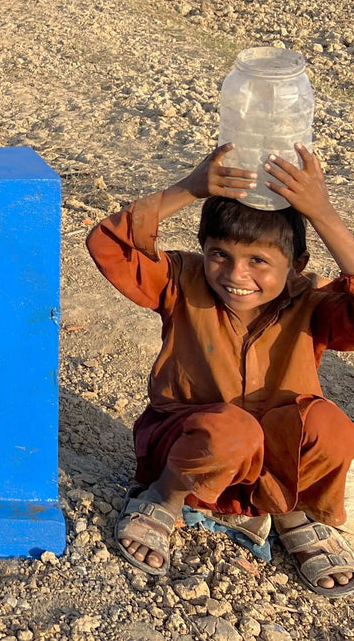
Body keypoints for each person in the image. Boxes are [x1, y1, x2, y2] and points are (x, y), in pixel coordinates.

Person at [86, 141, 354, 596]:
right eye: (220, 255)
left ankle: (291, 508)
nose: (235, 274)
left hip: (275, 458)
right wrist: (189, 189)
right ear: (202, 249)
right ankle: (163, 500)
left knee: (332, 425)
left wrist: (322, 213)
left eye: (259, 262)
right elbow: (108, 245)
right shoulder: (180, 279)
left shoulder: (313, 304)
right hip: (189, 447)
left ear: (297, 266)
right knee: (233, 429)